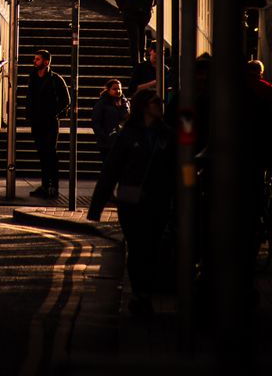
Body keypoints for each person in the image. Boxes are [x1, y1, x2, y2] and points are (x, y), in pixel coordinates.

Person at [87, 89, 176, 317]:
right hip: (131, 201)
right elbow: (111, 170)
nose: (160, 105)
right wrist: (96, 207)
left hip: (158, 200)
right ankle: (139, 294)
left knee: (153, 248)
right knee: (137, 249)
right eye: (156, 102)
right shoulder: (128, 134)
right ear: (145, 106)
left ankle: (144, 291)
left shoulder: (167, 134)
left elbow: (177, 167)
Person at [25, 49, 71, 198]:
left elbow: (66, 100)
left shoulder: (55, 79)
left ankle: (53, 186)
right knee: (42, 154)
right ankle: (45, 185)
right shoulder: (32, 77)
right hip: (36, 121)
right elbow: (29, 98)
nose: (34, 61)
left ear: (46, 62)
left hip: (50, 122)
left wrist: (53, 112)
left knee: (50, 153)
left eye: (37, 59)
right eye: (34, 59)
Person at [115, 0, 155, 67]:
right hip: (145, 12)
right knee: (142, 31)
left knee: (133, 37)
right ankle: (142, 56)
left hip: (130, 12)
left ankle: (135, 60)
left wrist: (122, 8)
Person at [90, 78, 130, 161]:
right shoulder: (102, 104)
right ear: (108, 90)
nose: (118, 91)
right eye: (114, 89)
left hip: (122, 142)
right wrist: (104, 137)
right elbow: (96, 122)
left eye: (119, 89)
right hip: (107, 144)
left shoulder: (125, 103)